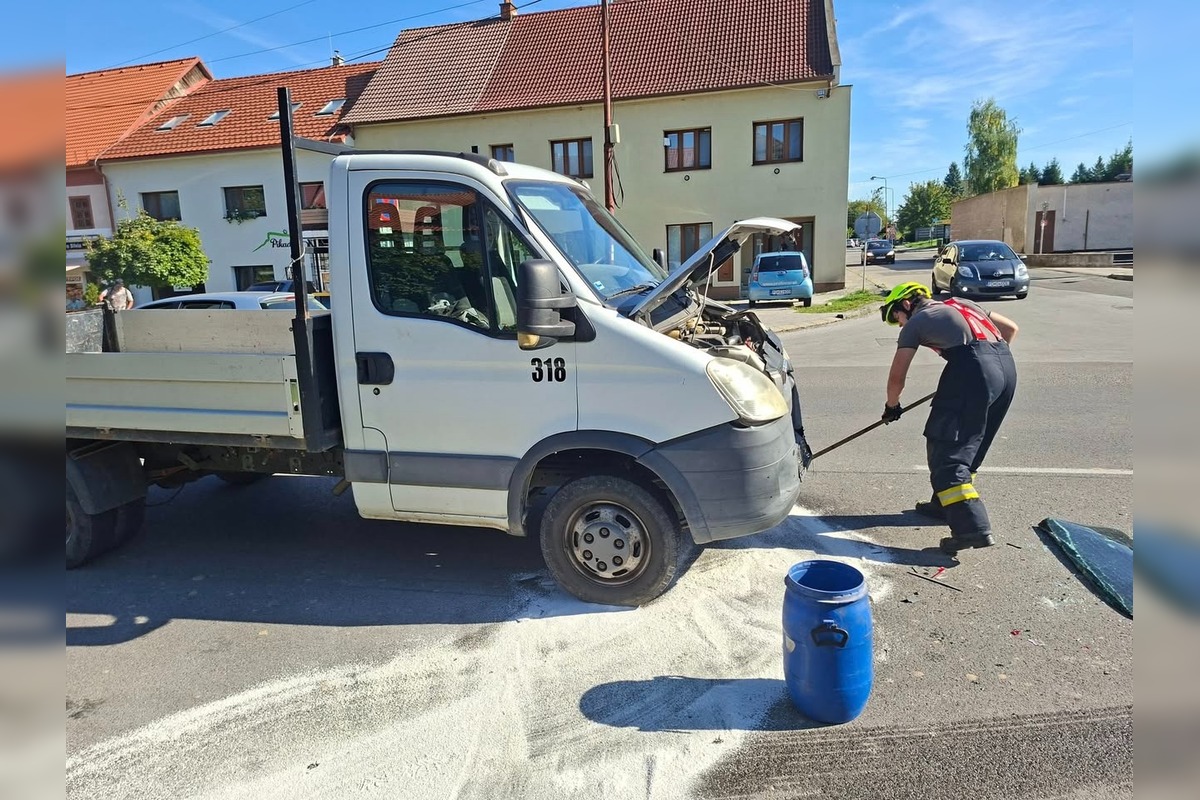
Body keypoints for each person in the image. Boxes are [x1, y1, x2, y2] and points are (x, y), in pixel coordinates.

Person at [878, 282, 1019, 555]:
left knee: (947, 450)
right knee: (971, 445)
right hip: (1006, 371)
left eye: (896, 317)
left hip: (974, 373)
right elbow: (1010, 329)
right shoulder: (963, 304)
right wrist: (985, 374)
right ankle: (943, 505)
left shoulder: (917, 322)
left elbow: (897, 376)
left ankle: (972, 528)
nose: (899, 325)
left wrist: (891, 406)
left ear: (906, 304)